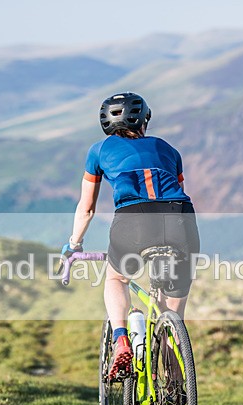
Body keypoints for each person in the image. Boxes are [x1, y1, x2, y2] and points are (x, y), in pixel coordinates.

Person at [62, 92, 200, 380]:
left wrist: (74, 245)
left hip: (133, 221)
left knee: (116, 278)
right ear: (144, 120)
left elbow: (86, 208)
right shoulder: (169, 150)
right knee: (172, 321)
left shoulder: (99, 150)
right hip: (181, 219)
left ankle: (121, 339)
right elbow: (174, 187)